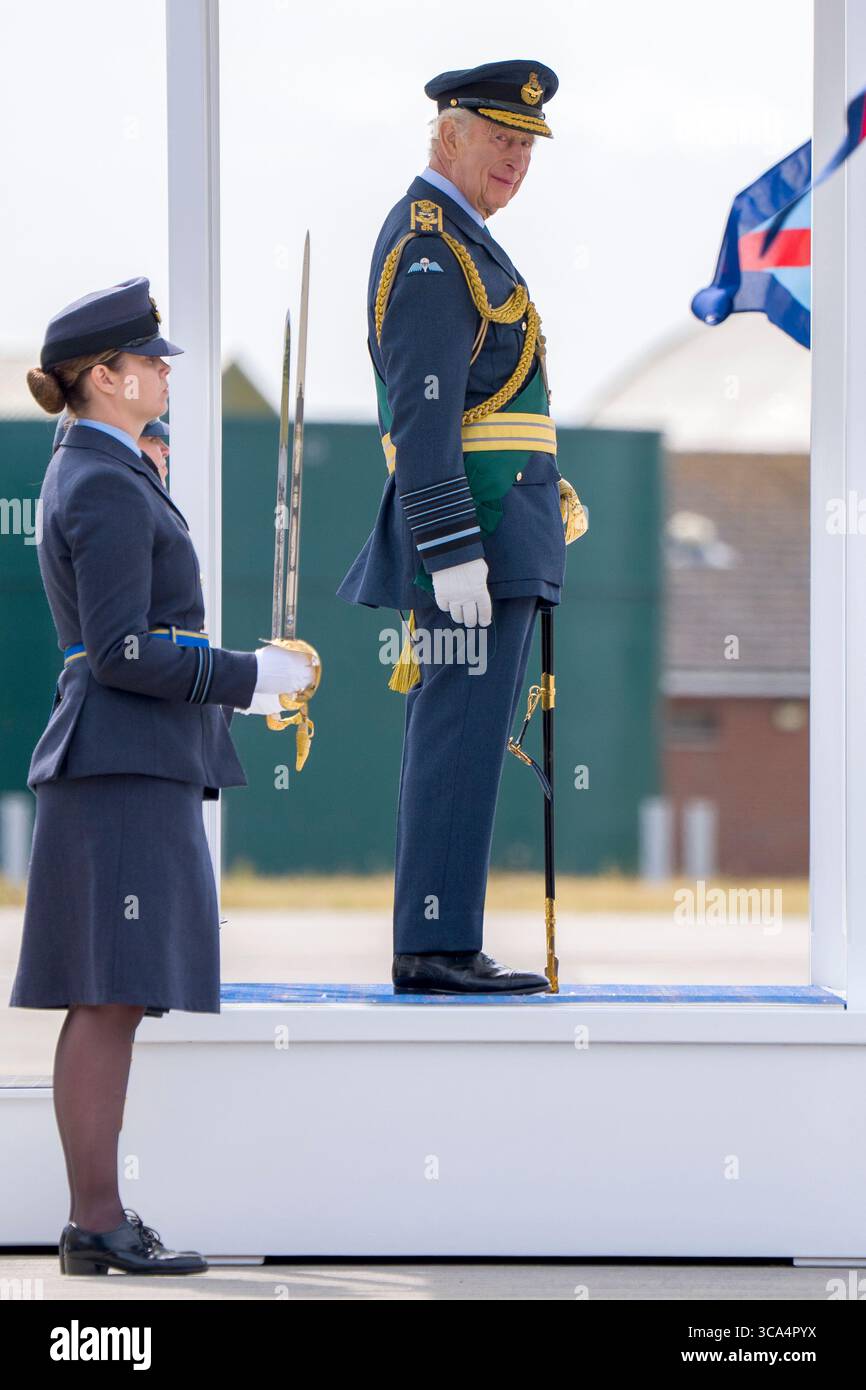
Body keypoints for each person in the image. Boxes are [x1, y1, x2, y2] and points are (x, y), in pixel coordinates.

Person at [10, 276, 318, 1276]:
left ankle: (96, 1217)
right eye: (147, 360)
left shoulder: (109, 468)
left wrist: (239, 682)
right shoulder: (99, 481)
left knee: (116, 994)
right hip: (118, 763)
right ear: (104, 377)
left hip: (128, 763)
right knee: (106, 995)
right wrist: (247, 679)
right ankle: (96, 1221)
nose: (162, 372)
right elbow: (121, 650)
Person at [338, 61, 579, 994]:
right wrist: (449, 550)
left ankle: (449, 939)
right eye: (500, 139)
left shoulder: (467, 240)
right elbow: (423, 415)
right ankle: (433, 948)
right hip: (470, 535)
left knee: (474, 739)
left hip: (502, 525)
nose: (515, 160)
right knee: (456, 734)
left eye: (526, 146)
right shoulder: (431, 248)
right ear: (449, 135)